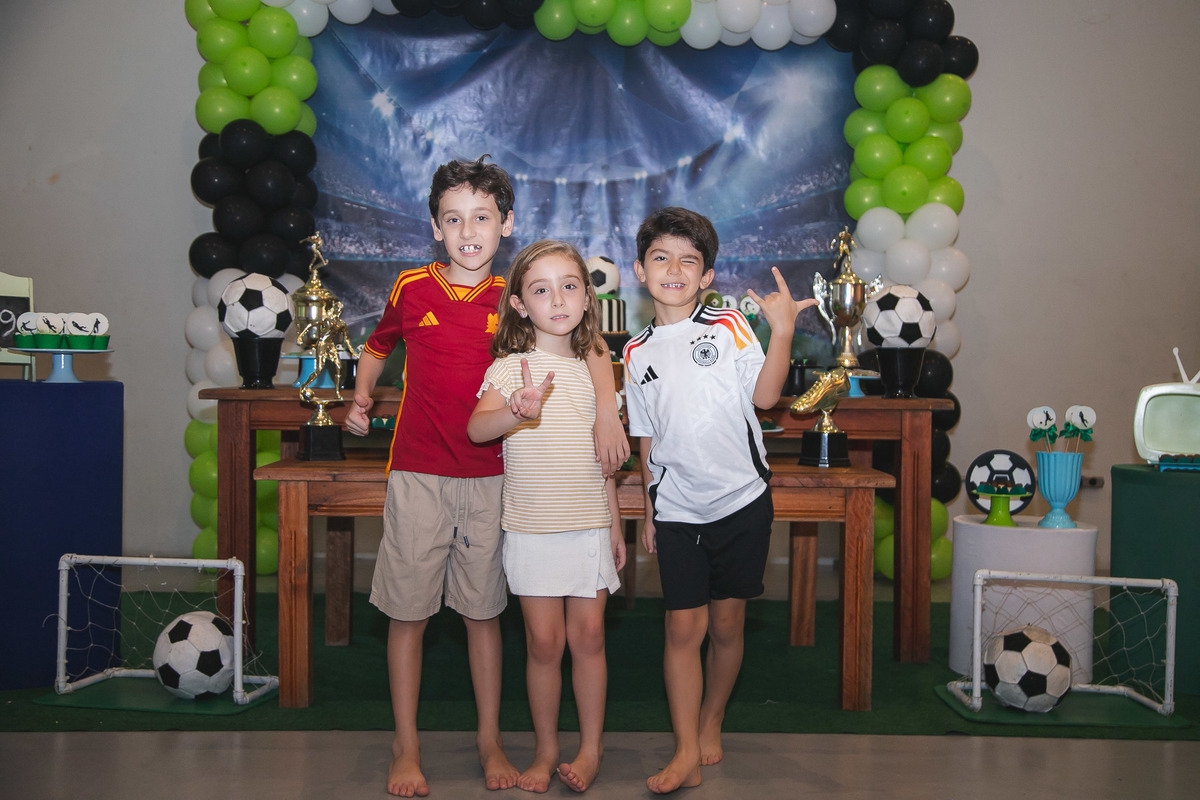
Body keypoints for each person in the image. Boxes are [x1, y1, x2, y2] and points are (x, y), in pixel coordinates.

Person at [345, 157, 628, 798]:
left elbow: (589, 343)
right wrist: (362, 397)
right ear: (435, 228)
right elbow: (379, 345)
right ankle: (406, 745)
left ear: (506, 224)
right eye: (453, 219)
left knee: (482, 613)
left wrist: (607, 410)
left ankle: (490, 739)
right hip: (418, 470)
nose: (467, 231)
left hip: (495, 480)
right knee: (409, 614)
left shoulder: (518, 297)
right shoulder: (410, 287)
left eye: (481, 217)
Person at [621, 207, 817, 794]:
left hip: (741, 503)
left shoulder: (728, 324)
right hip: (678, 511)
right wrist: (651, 510)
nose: (673, 269)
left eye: (689, 260)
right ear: (640, 270)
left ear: (706, 276)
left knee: (727, 627)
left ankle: (712, 718)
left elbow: (766, 396)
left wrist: (781, 331)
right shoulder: (635, 352)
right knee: (683, 629)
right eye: (660, 257)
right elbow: (647, 440)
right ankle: (684, 749)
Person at [467, 239, 626, 794]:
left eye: (569, 286)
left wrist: (615, 522)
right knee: (543, 644)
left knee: (589, 638)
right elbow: (477, 429)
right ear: (519, 304)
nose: (557, 300)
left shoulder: (594, 370)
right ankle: (546, 750)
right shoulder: (510, 370)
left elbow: (606, 461)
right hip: (531, 528)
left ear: (587, 297)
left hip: (588, 525)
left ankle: (591, 749)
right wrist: (515, 412)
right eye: (541, 290)